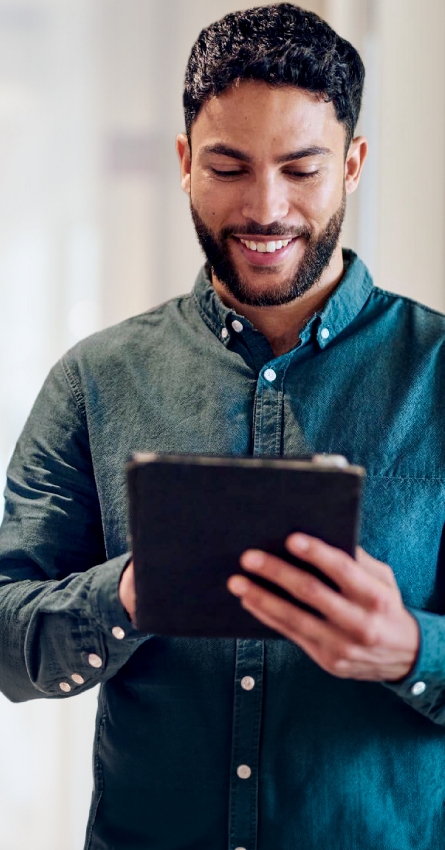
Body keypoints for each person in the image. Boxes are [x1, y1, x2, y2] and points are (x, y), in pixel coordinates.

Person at [0, 3, 444, 848]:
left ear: (352, 165)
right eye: (229, 167)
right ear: (184, 164)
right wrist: (129, 594)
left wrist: (409, 650)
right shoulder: (95, 380)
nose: (265, 209)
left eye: (301, 169)